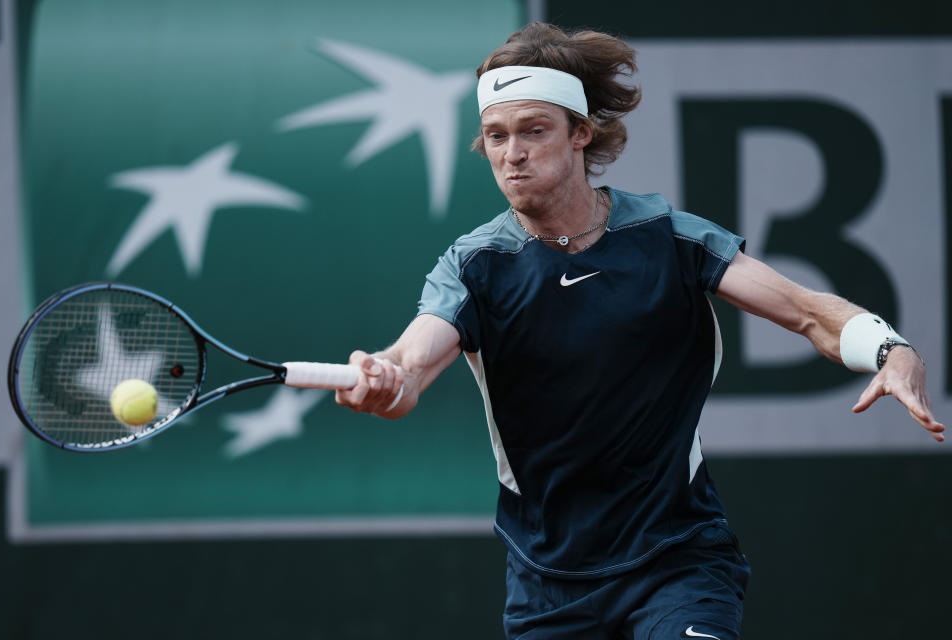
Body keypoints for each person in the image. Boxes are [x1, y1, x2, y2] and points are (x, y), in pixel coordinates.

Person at [336, 22, 944, 639]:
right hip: (548, 583)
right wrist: (385, 378)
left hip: (678, 561)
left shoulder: (672, 239)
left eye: (533, 131)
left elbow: (809, 312)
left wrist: (890, 349)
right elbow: (411, 366)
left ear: (581, 134)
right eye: (496, 136)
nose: (512, 153)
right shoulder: (474, 265)